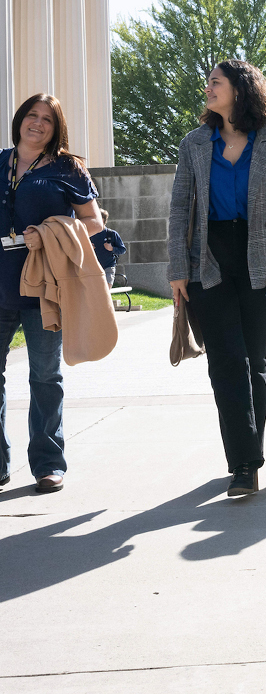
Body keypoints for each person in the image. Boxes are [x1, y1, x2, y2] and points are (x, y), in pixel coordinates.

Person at [167, 60, 266, 498]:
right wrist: (177, 271)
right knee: (226, 361)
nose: (208, 88)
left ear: (240, 90)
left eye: (215, 83)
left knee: (254, 364)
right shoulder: (194, 144)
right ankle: (243, 464)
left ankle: (250, 455)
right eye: (208, 82)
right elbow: (180, 210)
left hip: (258, 261)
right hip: (208, 260)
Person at [0, 95, 107, 493]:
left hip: (46, 285)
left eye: (48, 119)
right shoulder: (0, 162)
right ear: (20, 119)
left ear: (55, 127)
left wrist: (48, 233)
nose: (38, 124)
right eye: (32, 115)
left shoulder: (68, 168)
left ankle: (48, 464)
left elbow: (93, 222)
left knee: (45, 376)